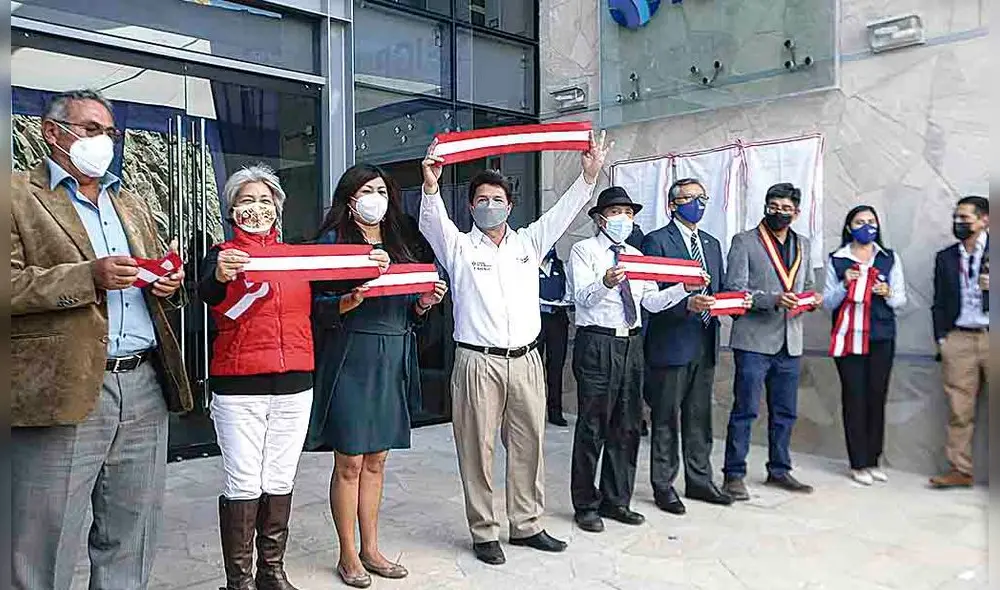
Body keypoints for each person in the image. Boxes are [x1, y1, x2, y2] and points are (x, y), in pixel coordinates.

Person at [11, 89, 193, 590]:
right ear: (53, 132)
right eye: (91, 129)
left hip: (142, 385)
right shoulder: (15, 195)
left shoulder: (129, 202)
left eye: (109, 132)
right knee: (43, 543)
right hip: (63, 387)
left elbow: (150, 285)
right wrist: (87, 275)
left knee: (131, 536)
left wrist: (167, 284)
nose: (104, 142)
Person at [419, 131, 611, 565]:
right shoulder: (460, 247)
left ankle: (526, 524)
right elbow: (432, 221)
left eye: (497, 199)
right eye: (481, 199)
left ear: (510, 204)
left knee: (529, 445)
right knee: (477, 449)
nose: (490, 205)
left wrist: (588, 178)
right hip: (477, 361)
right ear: (470, 206)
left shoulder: (529, 242)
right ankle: (484, 529)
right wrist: (431, 184)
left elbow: (563, 214)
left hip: (526, 360)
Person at [198, 164, 388, 590]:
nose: (257, 208)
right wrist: (219, 273)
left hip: (295, 384)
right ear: (231, 209)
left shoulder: (296, 258)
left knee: (280, 478)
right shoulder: (223, 254)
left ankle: (271, 571)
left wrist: (360, 278)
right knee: (244, 481)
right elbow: (206, 293)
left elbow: (313, 308)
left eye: (265, 200)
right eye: (247, 200)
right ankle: (240, 580)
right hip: (239, 386)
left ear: (278, 210)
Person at [306, 164, 447, 588]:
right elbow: (315, 304)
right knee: (349, 458)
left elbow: (409, 309)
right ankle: (348, 554)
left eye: (382, 190)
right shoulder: (332, 243)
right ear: (349, 199)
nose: (375, 197)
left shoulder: (402, 243)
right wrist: (351, 296)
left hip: (393, 352)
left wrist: (423, 303)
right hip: (351, 352)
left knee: (377, 459)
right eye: (367, 190)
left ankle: (371, 547)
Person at [567, 186, 691, 533]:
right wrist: (606, 282)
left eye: (629, 213)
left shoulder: (637, 255)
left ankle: (616, 500)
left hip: (631, 343)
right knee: (593, 426)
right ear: (600, 218)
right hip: (597, 342)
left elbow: (650, 302)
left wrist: (683, 288)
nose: (623, 219)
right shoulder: (584, 251)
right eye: (617, 212)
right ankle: (585, 503)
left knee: (628, 424)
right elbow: (582, 299)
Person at [640, 178, 741, 515]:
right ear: (672, 205)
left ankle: (700, 480)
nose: (698, 204)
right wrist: (686, 305)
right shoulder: (656, 241)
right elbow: (649, 298)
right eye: (690, 198)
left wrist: (736, 302)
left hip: (705, 341)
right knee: (666, 418)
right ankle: (664, 485)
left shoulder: (711, 243)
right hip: (671, 343)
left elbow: (721, 288)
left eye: (703, 197)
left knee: (700, 418)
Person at [721, 182, 823, 500]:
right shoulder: (744, 241)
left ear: (797, 212)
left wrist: (811, 298)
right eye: (773, 206)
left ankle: (779, 469)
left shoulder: (803, 244)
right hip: (753, 341)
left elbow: (805, 284)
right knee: (745, 411)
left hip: (790, 342)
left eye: (785, 208)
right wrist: (773, 299)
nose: (778, 212)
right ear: (766, 206)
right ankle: (733, 475)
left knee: (785, 412)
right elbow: (735, 291)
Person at [823, 205, 907, 486]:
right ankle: (857, 462)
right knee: (854, 397)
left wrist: (887, 292)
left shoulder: (889, 258)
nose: (866, 226)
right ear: (849, 227)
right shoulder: (837, 259)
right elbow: (827, 303)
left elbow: (900, 300)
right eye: (860, 222)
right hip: (848, 338)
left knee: (876, 397)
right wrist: (844, 285)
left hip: (881, 337)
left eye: (871, 222)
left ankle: (874, 459)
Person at [929, 196, 989, 488]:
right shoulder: (946, 257)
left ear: (984, 220)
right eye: (956, 217)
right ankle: (960, 470)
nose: (959, 223)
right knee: (959, 409)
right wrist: (943, 339)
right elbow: (939, 302)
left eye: (965, 218)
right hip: (959, 338)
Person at [539, 246, 571, 427]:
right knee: (532, 369)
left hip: (557, 319)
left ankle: (555, 411)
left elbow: (570, 290)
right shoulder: (527, 264)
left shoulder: (560, 265)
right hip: (535, 319)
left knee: (556, 367)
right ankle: (533, 411)